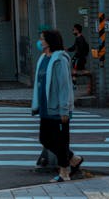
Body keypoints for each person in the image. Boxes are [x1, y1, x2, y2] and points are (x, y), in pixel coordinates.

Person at [32, 29, 83, 182]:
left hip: (58, 109)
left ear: (49, 41)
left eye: (42, 39)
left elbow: (64, 86)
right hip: (45, 108)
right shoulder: (43, 58)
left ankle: (64, 172)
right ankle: (73, 159)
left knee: (61, 141)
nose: (40, 42)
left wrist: (64, 109)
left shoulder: (59, 59)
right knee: (45, 139)